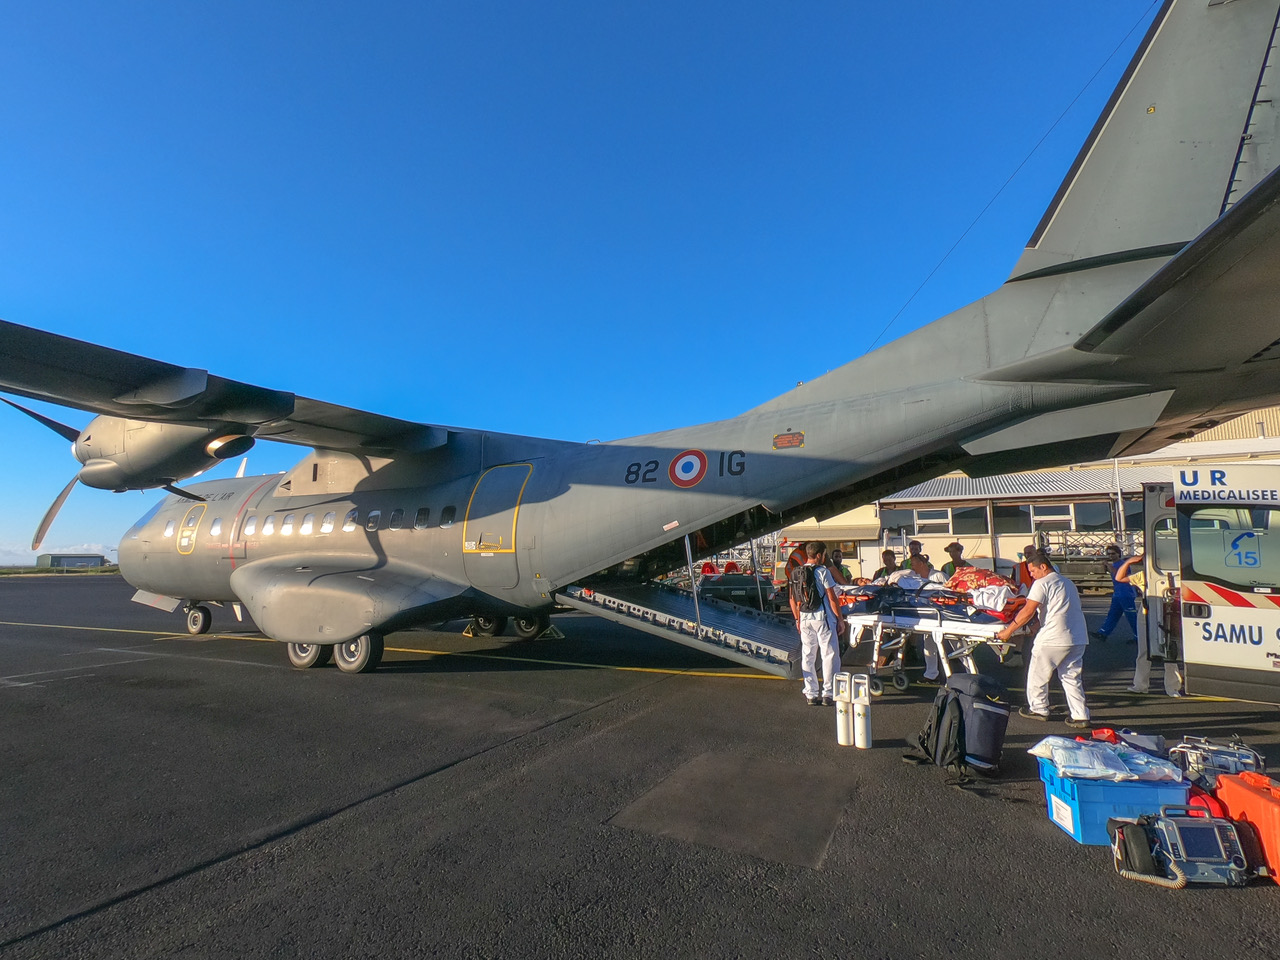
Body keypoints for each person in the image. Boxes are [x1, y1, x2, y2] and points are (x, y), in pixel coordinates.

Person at [996, 548, 1091, 729]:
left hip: (1053, 638)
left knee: (1038, 674)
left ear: (1043, 567)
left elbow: (1028, 610)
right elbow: (1059, 609)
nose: (1031, 575)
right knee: (1071, 677)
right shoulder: (1067, 582)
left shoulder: (1042, 583)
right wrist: (1036, 625)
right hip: (1077, 637)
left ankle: (1039, 709)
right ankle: (1080, 715)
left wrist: (1008, 631)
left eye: (1032, 571)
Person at [1118, 555, 1185, 697]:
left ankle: (1172, 687)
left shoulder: (1175, 575)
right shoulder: (1143, 575)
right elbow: (1119, 578)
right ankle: (1140, 685)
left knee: (1169, 650)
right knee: (1144, 650)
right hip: (1146, 613)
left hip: (1168, 613)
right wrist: (1129, 562)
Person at [789, 541, 844, 707]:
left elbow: (792, 599)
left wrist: (797, 619)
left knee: (808, 654)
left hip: (804, 618)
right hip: (823, 618)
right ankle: (829, 693)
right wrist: (840, 619)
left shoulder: (795, 573)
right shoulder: (823, 572)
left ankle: (811, 693)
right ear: (819, 555)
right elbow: (832, 598)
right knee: (829, 654)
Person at [1092, 544, 1137, 642]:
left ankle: (1138, 636)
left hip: (1126, 593)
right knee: (1113, 614)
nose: (1111, 556)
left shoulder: (1123, 564)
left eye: (1113, 554)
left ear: (1118, 554)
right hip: (1117, 593)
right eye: (1109, 554)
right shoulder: (1114, 564)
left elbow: (1117, 574)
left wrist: (1108, 565)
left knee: (1132, 617)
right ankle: (1103, 632)